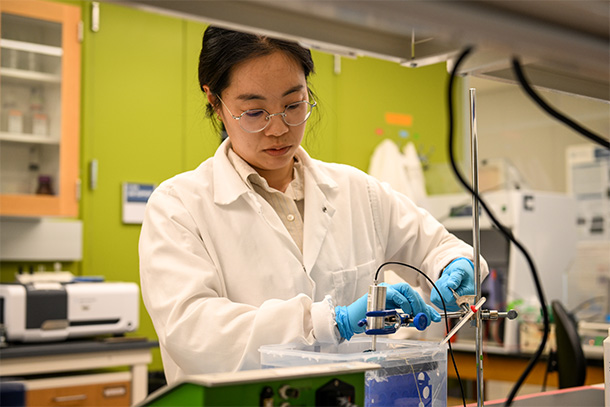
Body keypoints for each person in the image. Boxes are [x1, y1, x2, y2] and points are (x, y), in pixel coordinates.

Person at [139, 25, 488, 384]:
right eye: (255, 112)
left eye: (294, 105)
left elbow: (444, 248)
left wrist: (456, 265)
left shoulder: (358, 191)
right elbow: (196, 335)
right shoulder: (178, 207)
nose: (279, 129)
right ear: (215, 102)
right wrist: (327, 322)